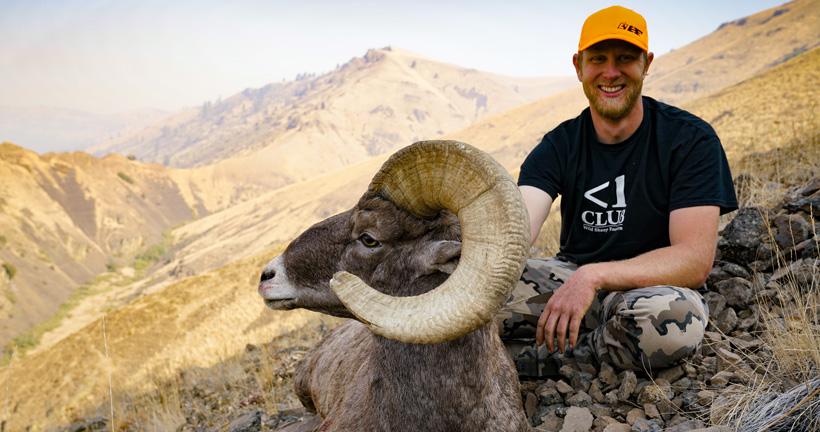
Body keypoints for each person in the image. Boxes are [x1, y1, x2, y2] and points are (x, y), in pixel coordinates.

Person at [497, 5, 738, 376]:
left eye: (625, 58)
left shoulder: (690, 139)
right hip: (568, 276)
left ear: (646, 63)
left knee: (675, 321)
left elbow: (694, 261)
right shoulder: (558, 145)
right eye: (598, 59)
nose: (611, 72)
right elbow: (517, 232)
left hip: (650, 288)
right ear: (579, 66)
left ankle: (530, 362)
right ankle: (591, 349)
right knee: (472, 294)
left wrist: (593, 276)